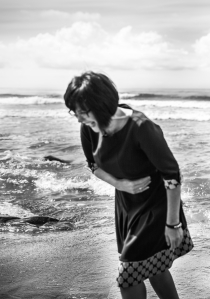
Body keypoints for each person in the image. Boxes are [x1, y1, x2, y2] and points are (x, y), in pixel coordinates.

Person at [64, 71, 193, 299]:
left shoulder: (141, 127)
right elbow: (93, 165)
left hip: (156, 206)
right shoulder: (88, 127)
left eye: (82, 112)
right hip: (126, 205)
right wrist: (120, 184)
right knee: (155, 268)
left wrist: (173, 224)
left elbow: (172, 176)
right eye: (75, 113)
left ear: (101, 104)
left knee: (128, 276)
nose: (79, 119)